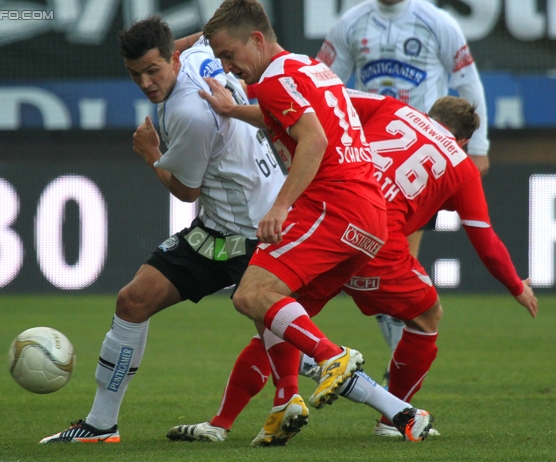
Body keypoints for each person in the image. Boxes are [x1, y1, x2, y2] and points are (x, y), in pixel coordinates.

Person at [166, 91, 537, 443]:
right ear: (464, 142)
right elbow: (484, 239)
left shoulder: (391, 109)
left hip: (331, 223)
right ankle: (393, 419)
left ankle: (221, 423)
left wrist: (234, 110)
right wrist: (516, 286)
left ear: (428, 115)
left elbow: (314, 109)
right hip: (376, 241)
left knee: (278, 317)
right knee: (427, 317)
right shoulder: (461, 165)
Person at [199, 0, 437, 446]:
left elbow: (313, 138)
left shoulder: (272, 81)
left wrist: (281, 205)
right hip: (369, 217)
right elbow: (296, 117)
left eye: (230, 55)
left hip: (332, 203)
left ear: (256, 39)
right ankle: (397, 412)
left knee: (252, 294)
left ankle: (331, 358)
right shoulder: (309, 68)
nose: (229, 67)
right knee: (281, 315)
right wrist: (233, 111)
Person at [38, 16, 285, 444]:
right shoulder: (196, 53)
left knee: (296, 345)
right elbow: (200, 38)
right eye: (136, 75)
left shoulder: (189, 112)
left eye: (153, 71)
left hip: (253, 235)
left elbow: (186, 191)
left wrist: (152, 153)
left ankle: (396, 410)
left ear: (172, 59)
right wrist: (180, 44)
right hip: (218, 231)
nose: (147, 83)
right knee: (133, 301)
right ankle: (100, 425)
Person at [316, 0, 492, 381]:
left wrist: (477, 148)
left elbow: (467, 80)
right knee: (374, 272)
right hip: (367, 159)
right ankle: (388, 384)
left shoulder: (437, 22)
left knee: (385, 269)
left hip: (420, 168)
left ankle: (384, 378)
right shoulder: (350, 22)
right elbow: (326, 85)